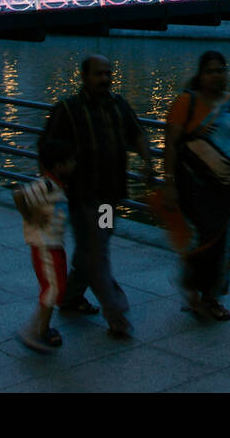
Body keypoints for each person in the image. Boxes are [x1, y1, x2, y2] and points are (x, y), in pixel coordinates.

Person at [39, 55, 152, 339]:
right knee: (97, 252)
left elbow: (137, 134)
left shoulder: (118, 105)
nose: (105, 79)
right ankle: (117, 313)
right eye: (99, 74)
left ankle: (72, 296)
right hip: (82, 196)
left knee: (91, 248)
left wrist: (148, 163)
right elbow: (47, 151)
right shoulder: (68, 109)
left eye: (108, 73)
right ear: (84, 77)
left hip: (110, 195)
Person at [163, 51, 230, 322]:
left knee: (221, 245)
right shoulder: (186, 103)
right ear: (200, 74)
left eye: (221, 70)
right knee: (204, 239)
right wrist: (170, 184)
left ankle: (209, 296)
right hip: (193, 187)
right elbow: (171, 147)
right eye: (211, 71)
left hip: (227, 189)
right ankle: (196, 291)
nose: (217, 75)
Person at [13, 158, 73, 353]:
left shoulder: (59, 186)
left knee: (57, 287)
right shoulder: (46, 185)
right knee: (53, 289)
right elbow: (19, 194)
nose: (73, 165)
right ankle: (34, 330)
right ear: (57, 164)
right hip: (44, 245)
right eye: (69, 161)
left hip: (54, 244)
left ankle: (42, 327)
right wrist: (30, 216)